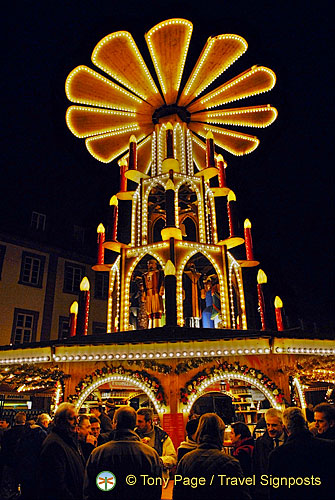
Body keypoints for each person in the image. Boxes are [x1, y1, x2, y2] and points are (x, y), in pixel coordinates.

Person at [83, 406, 162, 500]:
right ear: (134, 424)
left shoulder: (98, 454)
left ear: (115, 423)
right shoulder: (151, 455)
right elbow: (155, 492)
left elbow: (89, 491)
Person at [173, 413, 251, 500]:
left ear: (199, 432)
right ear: (220, 434)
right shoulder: (230, 463)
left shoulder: (185, 460)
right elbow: (242, 495)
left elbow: (178, 494)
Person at [268, 407, 335, 499]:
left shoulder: (277, 455)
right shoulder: (329, 447)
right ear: (306, 424)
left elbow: (276, 491)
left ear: (285, 428)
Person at [38, 402, 85, 500]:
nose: (76, 422)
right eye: (71, 419)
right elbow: (56, 483)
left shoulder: (69, 441)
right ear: (59, 421)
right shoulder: (54, 444)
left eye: (77, 418)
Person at [252, 408, 285, 499]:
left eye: (274, 425)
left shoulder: (290, 442)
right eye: (268, 425)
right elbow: (256, 467)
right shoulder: (260, 442)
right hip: (266, 491)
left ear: (282, 425)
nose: (270, 429)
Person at [136, 407, 177, 477]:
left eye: (140, 421)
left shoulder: (162, 436)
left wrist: (158, 461)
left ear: (149, 422)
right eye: (136, 421)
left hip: (158, 478)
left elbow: (173, 458)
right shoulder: (134, 435)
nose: (137, 424)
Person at [0, 411, 28, 499]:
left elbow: (4, 450)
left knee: (10, 487)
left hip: (10, 464)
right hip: (24, 464)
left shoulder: (8, 434)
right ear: (25, 420)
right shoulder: (28, 433)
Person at [142, 259, 164, 328]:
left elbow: (162, 281)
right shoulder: (145, 275)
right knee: (149, 309)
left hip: (156, 292)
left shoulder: (159, 273)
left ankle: (157, 324)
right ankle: (150, 325)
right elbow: (144, 285)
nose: (150, 265)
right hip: (148, 293)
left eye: (151, 263)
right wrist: (144, 293)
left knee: (157, 308)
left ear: (155, 265)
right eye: (148, 264)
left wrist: (162, 288)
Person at [182, 262, 204, 328]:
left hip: (196, 295)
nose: (191, 265)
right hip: (188, 295)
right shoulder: (185, 274)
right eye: (190, 264)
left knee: (197, 309)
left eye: (193, 264)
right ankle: (188, 325)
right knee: (188, 309)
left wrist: (202, 290)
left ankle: (197, 325)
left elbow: (201, 284)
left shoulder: (198, 275)